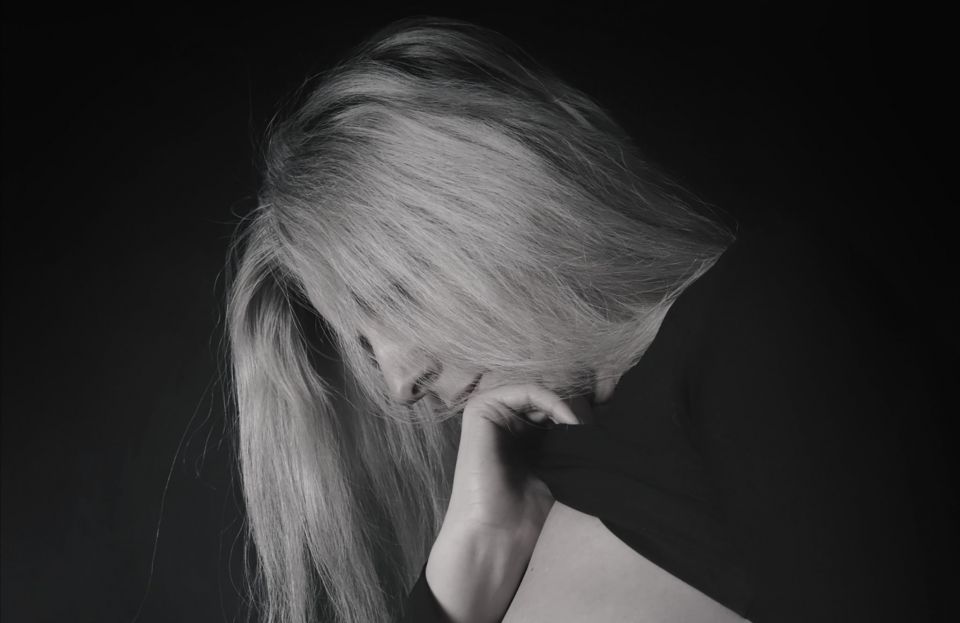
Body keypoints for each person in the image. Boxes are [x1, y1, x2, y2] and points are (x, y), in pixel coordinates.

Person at [225, 16, 937, 623]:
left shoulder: (763, 319)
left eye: (398, 294)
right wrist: (475, 546)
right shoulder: (527, 470)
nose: (397, 382)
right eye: (364, 342)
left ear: (491, 208)